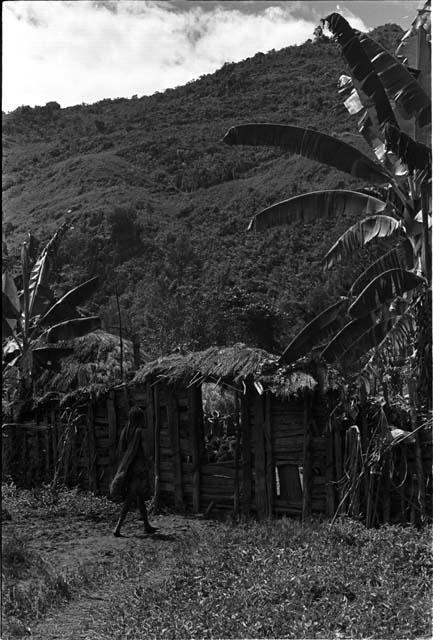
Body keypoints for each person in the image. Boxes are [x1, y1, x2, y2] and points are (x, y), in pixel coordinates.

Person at [110, 406, 157, 537]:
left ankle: (147, 525)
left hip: (127, 468)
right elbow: (146, 450)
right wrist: (150, 459)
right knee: (130, 498)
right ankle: (117, 528)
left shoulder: (125, 431)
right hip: (137, 469)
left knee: (140, 497)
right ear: (140, 419)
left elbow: (122, 449)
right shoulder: (139, 432)